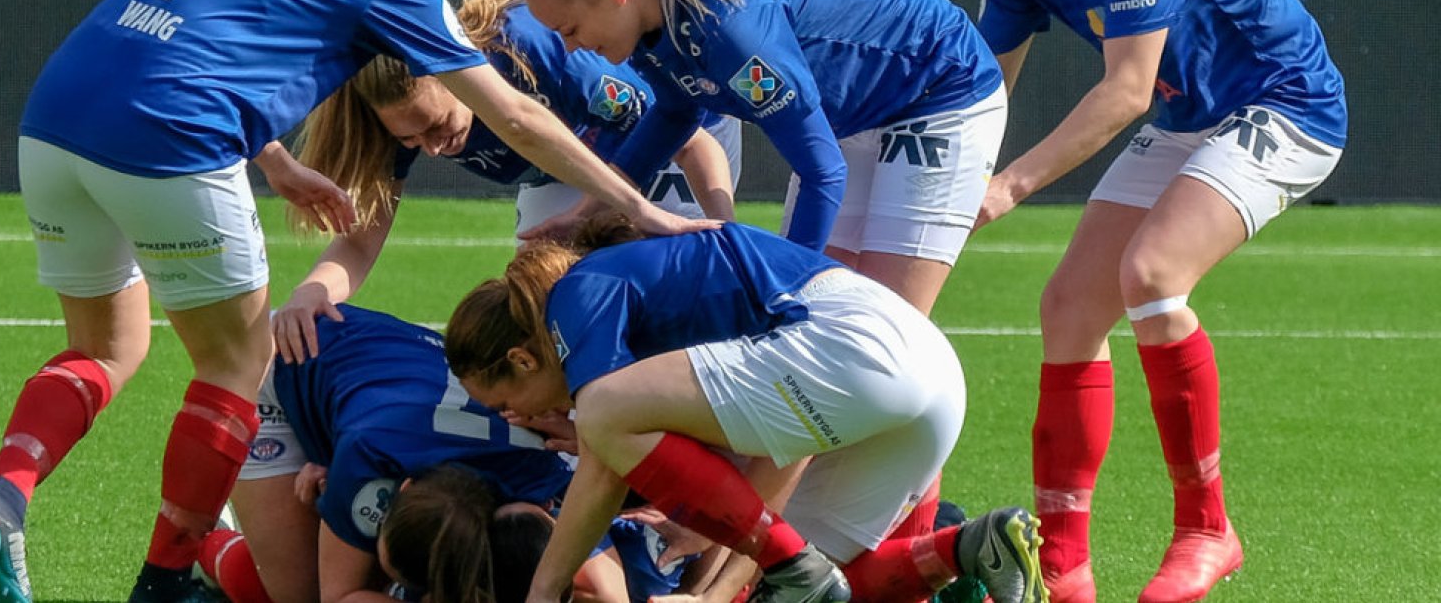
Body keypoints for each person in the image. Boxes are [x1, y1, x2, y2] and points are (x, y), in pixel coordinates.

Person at [0, 0, 713, 603]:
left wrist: (273, 157)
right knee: (236, 367)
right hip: (173, 131)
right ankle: (165, 580)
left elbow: (202, 23)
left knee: (106, 348)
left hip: (56, 116)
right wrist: (637, 209)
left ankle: (4, 499)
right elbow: (517, 116)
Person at [929, 0, 1347, 603]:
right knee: (1069, 310)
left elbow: (1126, 91)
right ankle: (1064, 564)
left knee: (1152, 275)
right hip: (1192, 116)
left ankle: (1207, 529)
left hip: (1285, 103)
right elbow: (984, 92)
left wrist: (1008, 187)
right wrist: (937, 185)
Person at [444, 217, 1047, 603]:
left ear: (524, 359)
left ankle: (797, 568)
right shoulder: (649, 334)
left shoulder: (581, 295)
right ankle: (975, 546)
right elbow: (787, 445)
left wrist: (544, 591)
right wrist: (722, 592)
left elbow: (605, 448)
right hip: (921, 376)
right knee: (810, 594)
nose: (513, 418)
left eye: (503, 404)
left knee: (602, 414)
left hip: (865, 348)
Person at [518, 0, 1006, 318]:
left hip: (940, 89)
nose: (571, 47)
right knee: (828, 317)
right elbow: (674, 113)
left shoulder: (730, 28)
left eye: (570, 28)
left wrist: (778, 290)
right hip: (856, 111)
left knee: (883, 325)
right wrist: (584, 214)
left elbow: (821, 173)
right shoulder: (651, 15)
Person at [268, 0, 738, 364]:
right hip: (566, 166)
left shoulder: (543, 57)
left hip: (675, 133)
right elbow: (361, 236)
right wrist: (311, 293)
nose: (431, 150)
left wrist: (731, 247)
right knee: (539, 309)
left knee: (675, 294)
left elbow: (691, 144)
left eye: (437, 126)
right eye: (411, 140)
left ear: (454, 74)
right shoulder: (404, 117)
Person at [198, 304, 694, 603]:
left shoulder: (541, 483)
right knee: (300, 595)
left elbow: (605, 591)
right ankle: (215, 545)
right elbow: (341, 597)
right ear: (402, 490)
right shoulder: (369, 460)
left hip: (390, 398)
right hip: (289, 358)